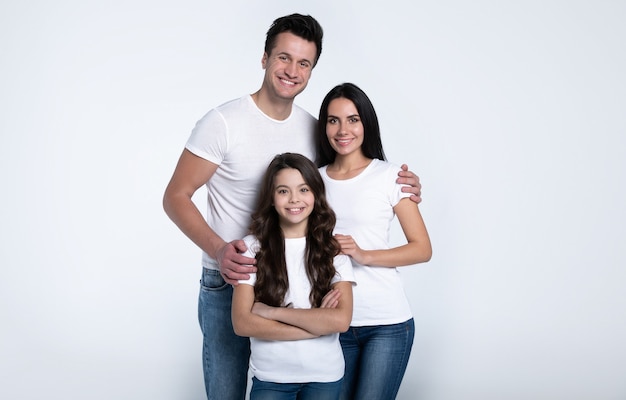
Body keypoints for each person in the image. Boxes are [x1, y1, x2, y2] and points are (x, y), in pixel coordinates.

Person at [162, 14, 422, 400]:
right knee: (227, 390)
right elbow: (176, 196)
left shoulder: (313, 130)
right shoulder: (224, 122)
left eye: (304, 63)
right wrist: (219, 249)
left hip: (293, 281)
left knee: (288, 381)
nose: (292, 70)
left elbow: (346, 176)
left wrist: (402, 186)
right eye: (284, 58)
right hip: (230, 277)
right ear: (265, 58)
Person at [315, 82, 433, 400]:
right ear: (323, 125)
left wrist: (365, 255)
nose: (343, 129)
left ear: (366, 123)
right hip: (332, 320)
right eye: (333, 119)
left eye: (353, 119)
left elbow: (422, 248)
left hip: (387, 322)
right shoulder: (312, 180)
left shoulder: (391, 177)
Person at [231, 153, 355, 400]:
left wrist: (271, 312)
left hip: (324, 377)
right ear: (272, 198)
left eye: (303, 189)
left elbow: (340, 321)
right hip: (271, 379)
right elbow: (242, 323)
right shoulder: (252, 247)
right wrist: (316, 325)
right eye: (283, 191)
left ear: (315, 195)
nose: (294, 199)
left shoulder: (332, 250)